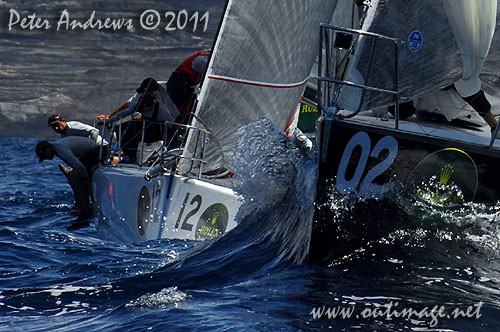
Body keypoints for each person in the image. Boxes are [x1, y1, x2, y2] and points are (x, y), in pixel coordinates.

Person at [97, 78, 179, 163]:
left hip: (157, 131)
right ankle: (129, 154)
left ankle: (131, 156)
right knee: (122, 128)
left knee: (130, 130)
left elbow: (170, 119)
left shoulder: (160, 105)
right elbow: (127, 112)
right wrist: (108, 120)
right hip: (150, 129)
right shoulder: (144, 99)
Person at [35, 137, 100, 231]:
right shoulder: (58, 147)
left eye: (45, 156)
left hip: (95, 152)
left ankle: (85, 212)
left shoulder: (61, 150)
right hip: (90, 154)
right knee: (75, 178)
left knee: (76, 179)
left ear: (48, 148)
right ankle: (84, 209)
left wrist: (86, 179)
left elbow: (79, 167)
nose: (46, 159)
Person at [166, 50, 210, 124]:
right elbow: (199, 68)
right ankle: (176, 132)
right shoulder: (203, 59)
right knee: (186, 111)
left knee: (187, 111)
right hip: (180, 85)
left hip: (181, 84)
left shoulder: (203, 55)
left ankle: (177, 129)